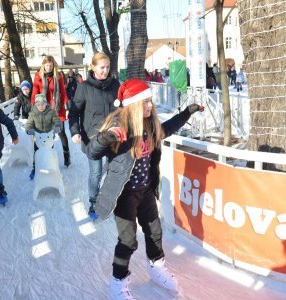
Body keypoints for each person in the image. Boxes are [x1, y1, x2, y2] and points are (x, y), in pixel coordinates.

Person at [85, 79, 204, 299]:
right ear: (132, 104)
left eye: (150, 101)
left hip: (146, 190)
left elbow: (167, 128)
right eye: (145, 102)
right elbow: (91, 152)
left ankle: (156, 268)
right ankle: (117, 282)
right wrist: (106, 137)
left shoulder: (150, 125)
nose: (150, 106)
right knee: (128, 240)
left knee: (155, 232)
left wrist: (187, 113)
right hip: (124, 194)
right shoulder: (119, 125)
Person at [69, 52, 120, 219]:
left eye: (107, 67)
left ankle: (113, 199)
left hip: (113, 136)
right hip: (93, 138)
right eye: (102, 67)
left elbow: (123, 109)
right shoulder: (84, 87)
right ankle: (93, 201)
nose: (105, 71)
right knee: (96, 173)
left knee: (115, 170)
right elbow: (74, 112)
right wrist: (75, 132)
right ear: (93, 67)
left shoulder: (115, 85)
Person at [31, 55, 71, 167]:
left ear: (53, 65)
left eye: (50, 65)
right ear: (43, 65)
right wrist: (34, 106)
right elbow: (35, 92)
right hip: (43, 109)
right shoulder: (38, 76)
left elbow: (62, 92)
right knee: (47, 134)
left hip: (57, 108)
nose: (48, 67)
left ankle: (67, 155)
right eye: (46, 65)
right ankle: (49, 158)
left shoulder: (58, 76)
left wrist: (67, 106)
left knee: (61, 132)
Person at [25, 94, 61, 180]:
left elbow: (57, 120)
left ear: (46, 104)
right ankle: (35, 168)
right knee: (37, 153)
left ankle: (53, 167)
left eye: (42, 104)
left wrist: (57, 126)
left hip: (49, 138)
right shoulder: (33, 113)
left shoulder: (51, 112)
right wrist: (29, 129)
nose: (41, 106)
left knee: (50, 152)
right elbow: (29, 124)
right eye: (38, 105)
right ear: (36, 105)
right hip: (38, 138)